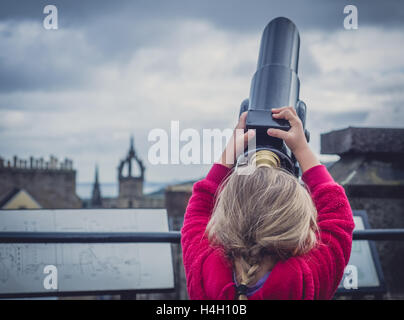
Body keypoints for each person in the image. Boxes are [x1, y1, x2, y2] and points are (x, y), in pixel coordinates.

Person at [181, 106, 355, 300]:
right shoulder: (305, 278)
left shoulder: (206, 270)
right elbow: (338, 218)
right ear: (298, 223)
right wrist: (301, 149)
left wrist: (230, 153)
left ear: (225, 213)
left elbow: (198, 211)